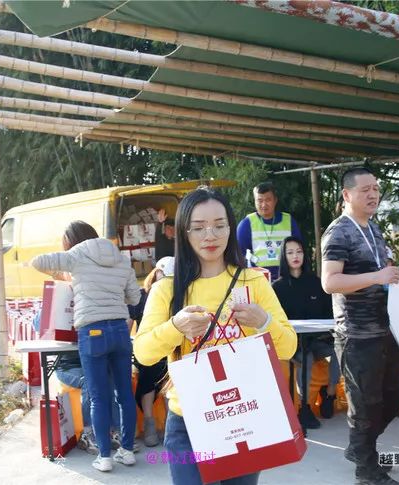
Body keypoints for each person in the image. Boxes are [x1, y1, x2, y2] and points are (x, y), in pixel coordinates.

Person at [134, 187, 297, 485]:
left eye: (219, 225)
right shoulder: (167, 289)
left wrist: (264, 321)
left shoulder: (254, 282)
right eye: (198, 228)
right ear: (184, 232)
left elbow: (288, 347)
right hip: (188, 422)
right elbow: (144, 353)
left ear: (231, 228)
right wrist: (175, 327)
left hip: (244, 414)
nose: (210, 235)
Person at [321, 167, 399, 485]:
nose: (373, 194)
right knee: (366, 404)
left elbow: (381, 276)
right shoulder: (338, 232)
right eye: (365, 189)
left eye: (376, 188)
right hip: (356, 333)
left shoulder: (374, 230)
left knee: (393, 397)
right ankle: (367, 470)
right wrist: (378, 277)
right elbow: (330, 281)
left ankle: (358, 447)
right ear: (347, 194)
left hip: (385, 328)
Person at [31, 221, 141, 472]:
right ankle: (126, 451)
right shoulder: (121, 259)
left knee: (98, 397)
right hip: (120, 331)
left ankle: (104, 457)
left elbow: (38, 262)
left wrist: (67, 270)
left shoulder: (77, 255)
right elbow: (135, 298)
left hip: (92, 333)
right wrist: (113, 293)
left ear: (71, 244)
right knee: (125, 394)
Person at [272, 236, 337, 429]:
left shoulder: (317, 283)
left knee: (341, 350)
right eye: (290, 252)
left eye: (299, 251)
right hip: (294, 343)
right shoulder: (277, 287)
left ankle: (330, 393)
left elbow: (329, 313)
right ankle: (304, 407)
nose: (295, 256)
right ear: (284, 256)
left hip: (319, 339)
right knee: (306, 358)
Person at [128, 256, 174, 447]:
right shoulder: (174, 293)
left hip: (149, 349)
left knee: (149, 380)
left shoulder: (141, 295)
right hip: (165, 348)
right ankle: (168, 427)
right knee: (167, 381)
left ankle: (151, 426)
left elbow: (128, 325)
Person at [236, 181, 301, 280]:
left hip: (287, 280)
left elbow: (300, 250)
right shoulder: (246, 224)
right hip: (258, 280)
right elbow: (238, 255)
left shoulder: (289, 221)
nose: (264, 204)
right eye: (260, 200)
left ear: (275, 200)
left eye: (268, 200)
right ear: (255, 201)